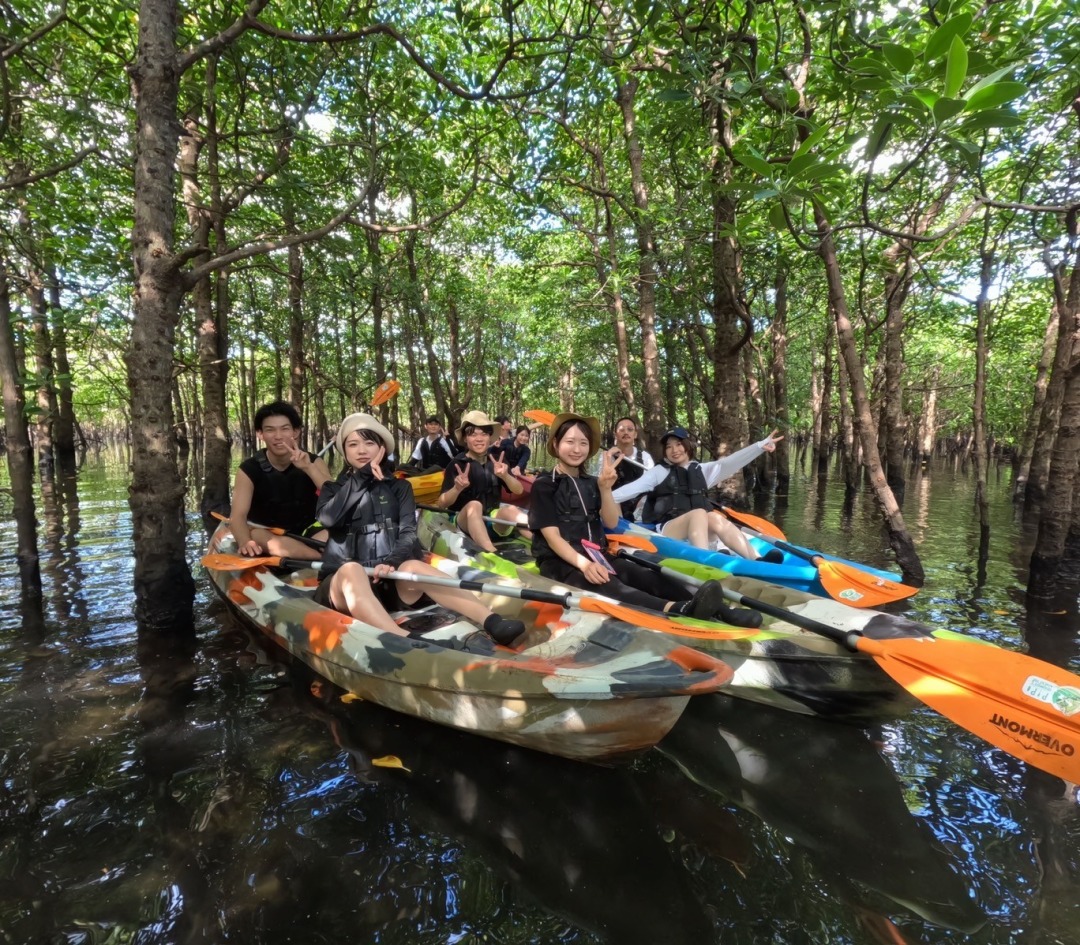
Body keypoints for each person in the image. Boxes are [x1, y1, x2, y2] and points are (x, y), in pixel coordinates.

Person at [528, 412, 762, 628]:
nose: (576, 449)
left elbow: (609, 522)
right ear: (556, 444)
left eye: (583, 443)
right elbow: (552, 537)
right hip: (561, 562)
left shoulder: (592, 482)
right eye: (570, 442)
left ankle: (719, 610)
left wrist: (605, 489)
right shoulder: (545, 485)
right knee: (613, 586)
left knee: (646, 575)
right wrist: (584, 565)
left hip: (597, 554)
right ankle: (678, 609)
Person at [314, 413, 526, 645]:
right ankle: (402, 639)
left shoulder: (399, 487)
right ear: (344, 451)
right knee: (351, 569)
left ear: (381, 448)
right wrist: (363, 476)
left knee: (414, 564)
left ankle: (492, 621)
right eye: (353, 444)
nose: (361, 450)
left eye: (369, 443)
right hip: (344, 587)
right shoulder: (333, 488)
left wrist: (392, 561)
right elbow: (328, 519)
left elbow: (407, 531)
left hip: (387, 580)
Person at [612, 426, 784, 561]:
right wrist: (602, 494)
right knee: (700, 513)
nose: (674, 450)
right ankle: (705, 560)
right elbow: (630, 490)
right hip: (668, 529)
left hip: (699, 528)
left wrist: (760, 446)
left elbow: (731, 462)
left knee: (715, 517)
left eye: (678, 444)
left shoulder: (701, 470)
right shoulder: (658, 472)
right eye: (669, 447)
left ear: (687, 446)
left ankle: (756, 559)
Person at [230, 401, 331, 560]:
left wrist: (308, 468)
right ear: (260, 434)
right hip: (269, 535)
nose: (278, 436)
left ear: (296, 432)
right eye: (270, 430)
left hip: (310, 534)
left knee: (336, 531)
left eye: (285, 429)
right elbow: (238, 516)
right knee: (256, 536)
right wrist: (244, 542)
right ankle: (320, 558)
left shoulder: (314, 461)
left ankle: (310, 555)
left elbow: (336, 500)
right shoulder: (248, 469)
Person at [437, 410, 524, 552]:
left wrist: (505, 476)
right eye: (473, 434)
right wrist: (457, 488)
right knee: (474, 506)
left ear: (490, 437)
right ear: (465, 438)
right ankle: (492, 553)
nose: (479, 439)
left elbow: (519, 490)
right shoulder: (457, 464)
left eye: (484, 434)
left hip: (490, 520)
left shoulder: (497, 461)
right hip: (463, 522)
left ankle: (545, 543)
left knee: (512, 510)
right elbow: (441, 503)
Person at [602, 416, 654, 520]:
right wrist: (608, 458)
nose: (626, 432)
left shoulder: (645, 457)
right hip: (614, 503)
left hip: (638, 505)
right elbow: (601, 484)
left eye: (630, 430)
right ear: (615, 434)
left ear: (635, 434)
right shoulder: (607, 455)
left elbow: (651, 485)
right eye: (621, 430)